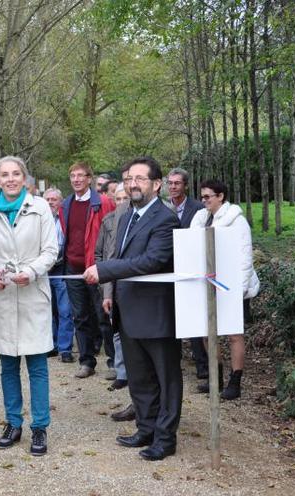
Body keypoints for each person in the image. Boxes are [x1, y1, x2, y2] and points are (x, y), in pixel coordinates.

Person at [84, 156, 182, 462]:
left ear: (156, 185)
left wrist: (105, 269)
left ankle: (165, 439)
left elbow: (151, 261)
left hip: (156, 314)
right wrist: (110, 290)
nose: (132, 184)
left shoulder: (166, 220)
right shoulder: (126, 215)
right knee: (139, 378)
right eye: (129, 179)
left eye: (140, 179)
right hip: (127, 312)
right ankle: (146, 427)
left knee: (165, 378)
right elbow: (121, 255)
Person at [0, 156, 58, 456]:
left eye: (16, 174)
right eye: (5, 175)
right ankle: (13, 422)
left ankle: (40, 427)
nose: (10, 179)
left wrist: (33, 271)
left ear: (24, 178)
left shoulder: (40, 207)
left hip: (33, 293)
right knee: (8, 365)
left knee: (37, 365)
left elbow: (51, 249)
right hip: (2, 295)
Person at [190, 179, 260, 400]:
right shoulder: (201, 218)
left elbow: (245, 258)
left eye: (208, 196)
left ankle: (235, 381)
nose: (204, 201)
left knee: (233, 335)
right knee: (207, 332)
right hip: (207, 283)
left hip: (232, 286)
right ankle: (216, 378)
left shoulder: (236, 221)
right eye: (202, 197)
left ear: (220, 196)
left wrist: (237, 292)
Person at [59, 162, 116, 379]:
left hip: (97, 268)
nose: (76, 180)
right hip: (73, 268)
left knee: (103, 315)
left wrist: (103, 264)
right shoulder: (65, 205)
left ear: (89, 178)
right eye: (72, 176)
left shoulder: (102, 203)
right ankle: (86, 361)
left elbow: (111, 234)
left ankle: (113, 361)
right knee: (80, 317)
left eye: (80, 176)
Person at [94, 179, 135, 423]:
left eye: (124, 198)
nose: (121, 203)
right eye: (117, 198)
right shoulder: (109, 221)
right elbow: (104, 256)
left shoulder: (138, 220)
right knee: (118, 335)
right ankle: (122, 374)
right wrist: (106, 292)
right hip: (114, 288)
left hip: (138, 292)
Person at [167, 167, 208, 380]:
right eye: (170, 183)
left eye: (177, 183)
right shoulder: (162, 208)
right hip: (166, 269)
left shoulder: (199, 208)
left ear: (185, 185)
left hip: (191, 270)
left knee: (194, 320)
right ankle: (173, 364)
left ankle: (203, 365)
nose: (173, 187)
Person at [43, 187, 75, 362]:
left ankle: (65, 349)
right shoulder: (39, 221)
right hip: (43, 271)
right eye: (47, 199)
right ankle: (52, 345)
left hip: (62, 268)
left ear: (60, 202)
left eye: (53, 199)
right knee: (48, 309)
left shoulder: (65, 219)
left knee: (65, 310)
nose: (50, 203)